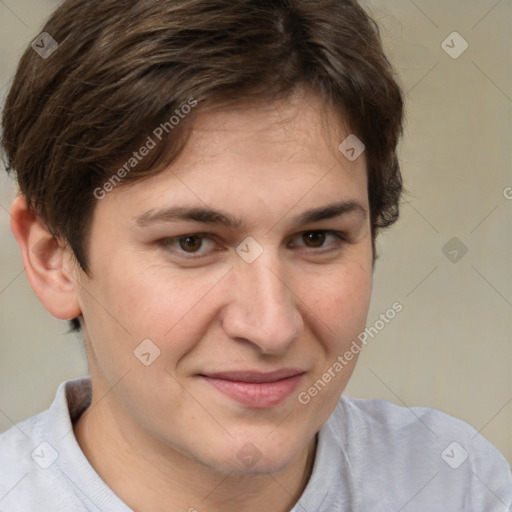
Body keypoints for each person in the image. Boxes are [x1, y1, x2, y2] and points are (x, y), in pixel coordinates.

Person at [1, 0, 511, 510]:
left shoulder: (456, 483)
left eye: (317, 238)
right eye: (191, 243)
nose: (272, 326)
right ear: (53, 259)